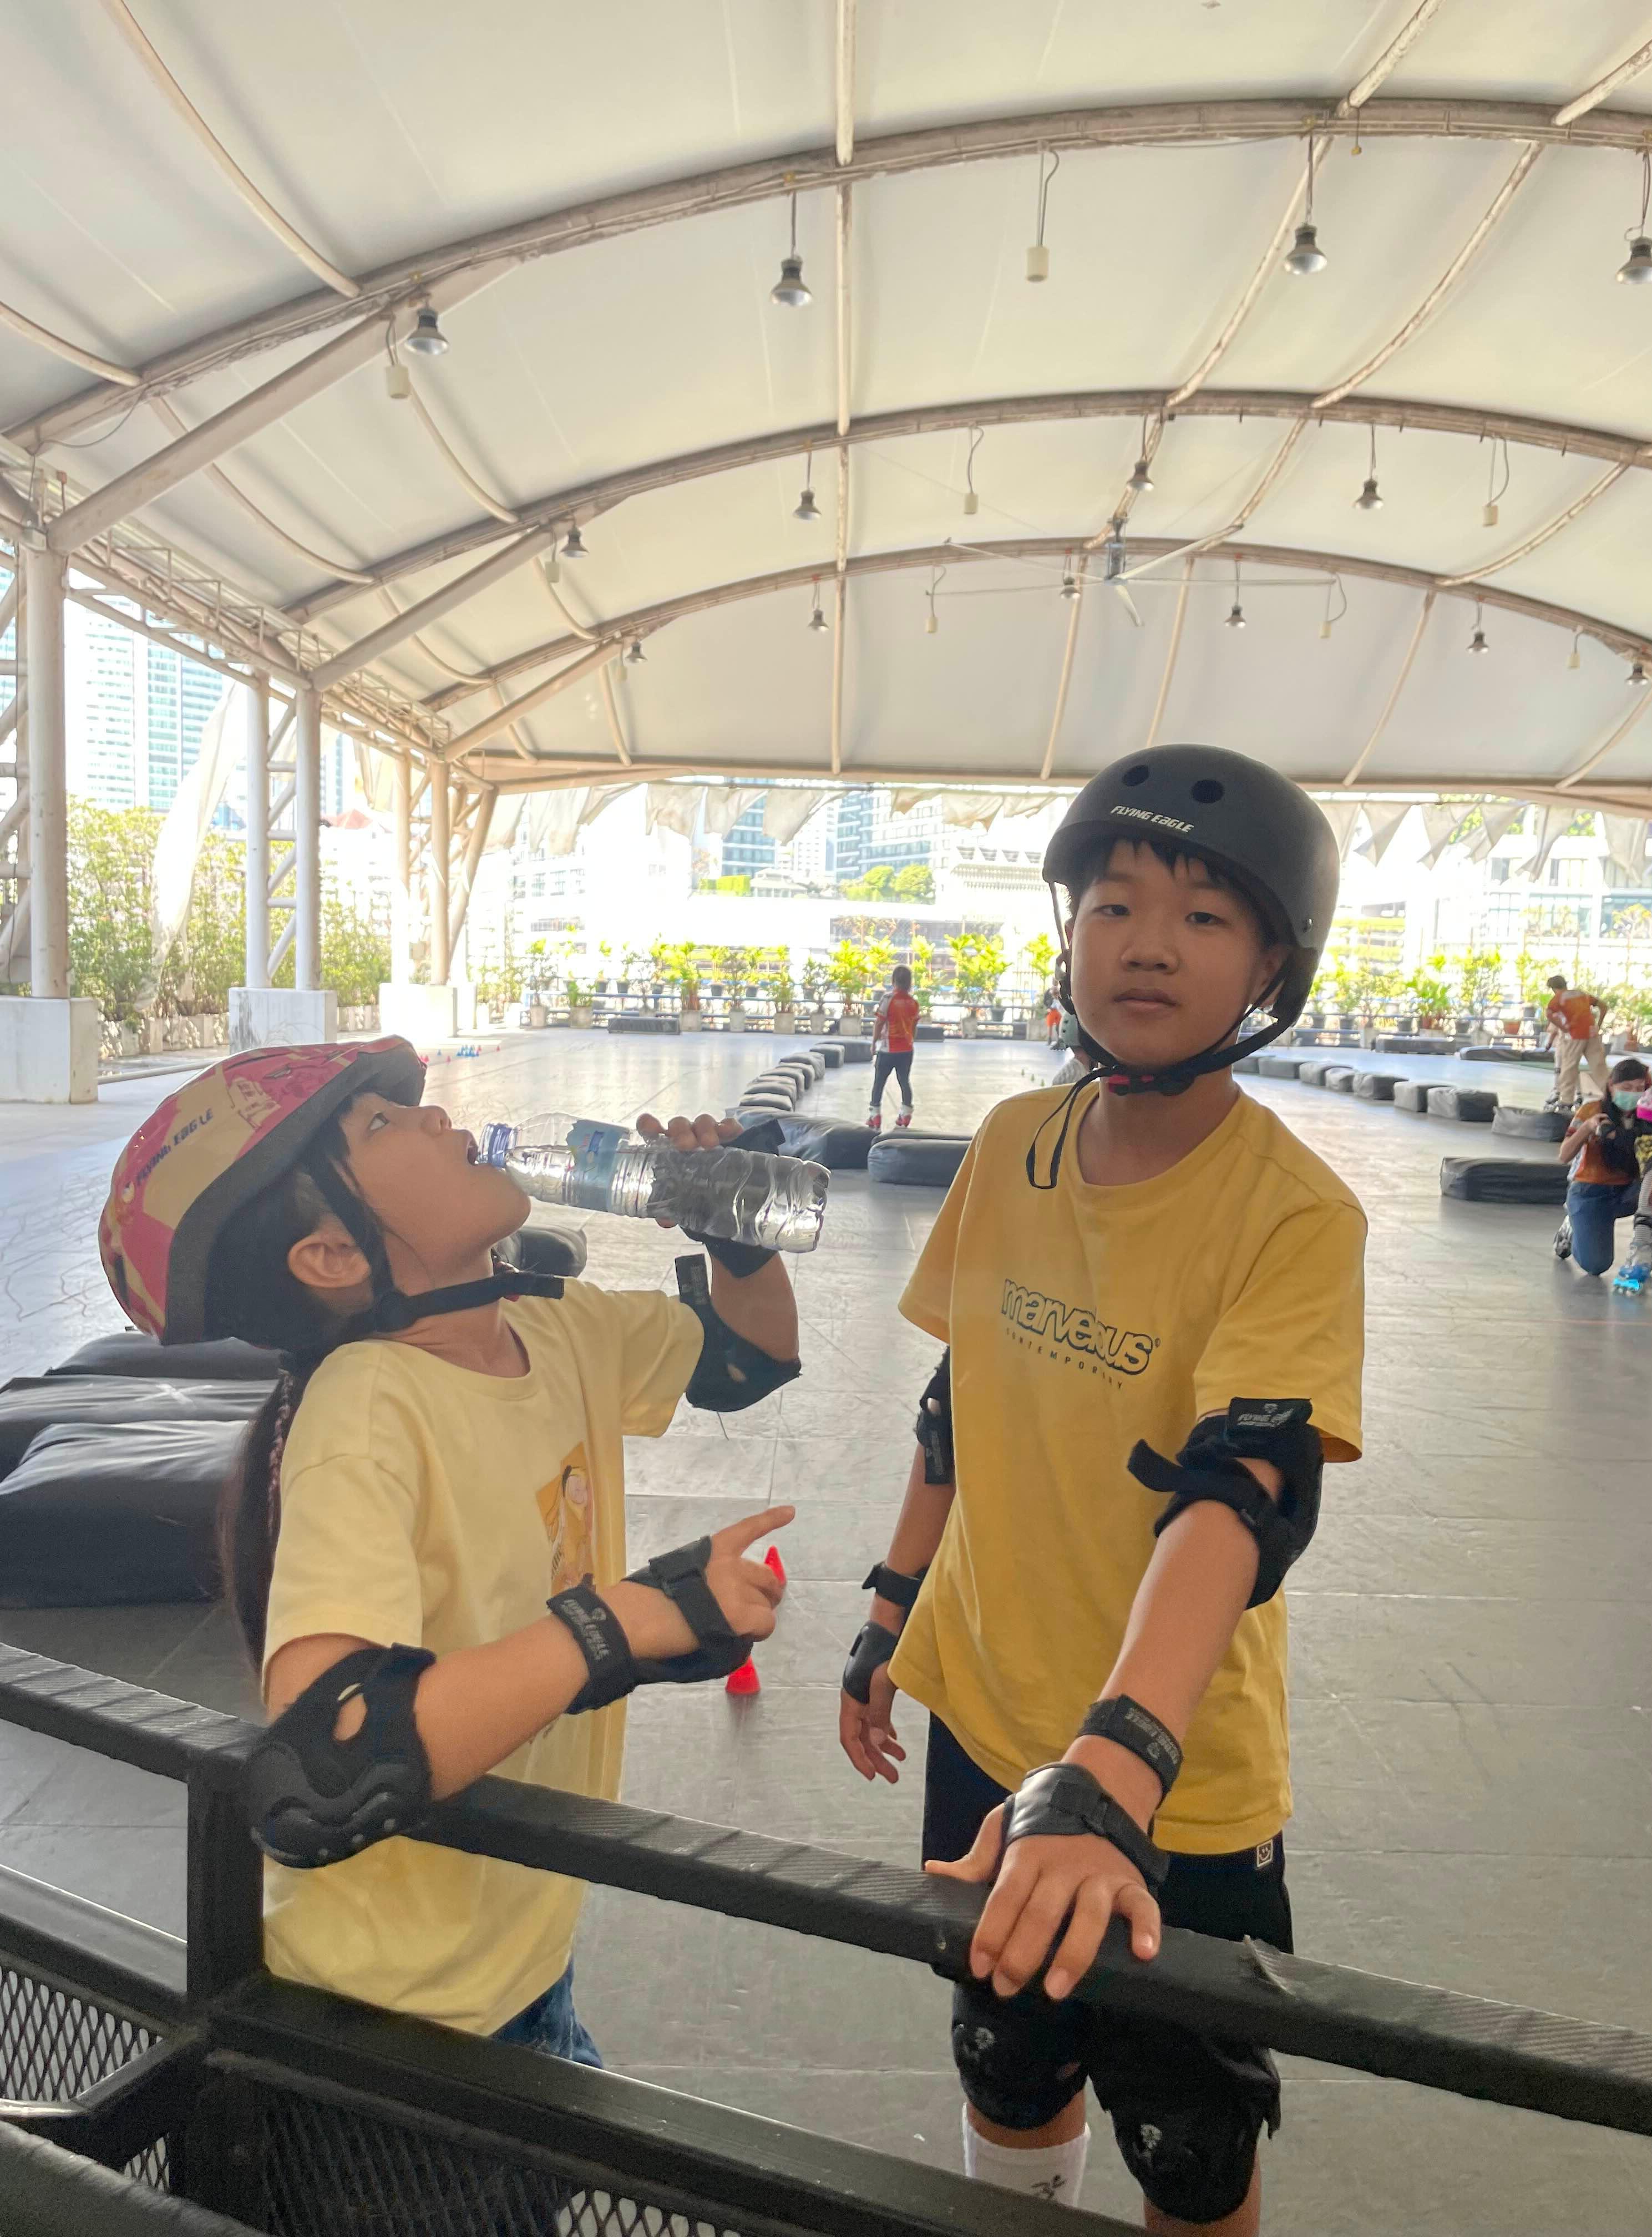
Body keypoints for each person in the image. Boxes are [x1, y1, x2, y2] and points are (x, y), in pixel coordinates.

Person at [838, 747, 1364, 2233]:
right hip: (982, 1709)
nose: (1147, 943)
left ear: (1271, 966)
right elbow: (960, 1406)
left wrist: (1112, 1767)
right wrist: (889, 1609)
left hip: (1170, 1778)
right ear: (1067, 935)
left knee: (1189, 2142)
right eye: (1114, 904)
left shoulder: (1295, 1213)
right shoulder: (1015, 1142)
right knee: (1006, 2063)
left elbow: (1241, 1493)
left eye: (1204, 918)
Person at [98, 1039, 796, 2059]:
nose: (433, 1115)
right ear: (332, 1257)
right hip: (391, 2015)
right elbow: (327, 1764)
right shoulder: (365, 1413)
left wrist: (735, 1240)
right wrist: (620, 1623)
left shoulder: (549, 1325)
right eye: (380, 1124)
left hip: (515, 1945)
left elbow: (746, 1358)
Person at [1556, 1055, 1652, 1279]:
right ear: (1611, 1086)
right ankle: (1573, 1225)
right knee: (1596, 1265)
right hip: (1591, 1191)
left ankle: (1649, 1237)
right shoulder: (1592, 1110)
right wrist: (1588, 1128)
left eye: (1640, 1088)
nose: (1634, 1094)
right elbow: (1564, 1155)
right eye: (1627, 1088)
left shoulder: (1649, 1115)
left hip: (1629, 1190)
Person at [1544, 975, 1609, 1112]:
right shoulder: (1582, 995)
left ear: (1553, 988)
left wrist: (1563, 1028)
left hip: (1575, 1036)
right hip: (1592, 1034)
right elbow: (1604, 1006)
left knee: (1569, 1067)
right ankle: (1610, 1096)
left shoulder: (1559, 998)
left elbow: (1549, 1014)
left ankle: (1566, 1101)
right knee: (1600, 1067)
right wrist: (1598, 1025)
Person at [869, 964, 920, 1131]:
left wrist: (874, 1042)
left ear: (894, 980)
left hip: (888, 1050)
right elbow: (913, 1027)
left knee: (879, 1082)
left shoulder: (887, 999)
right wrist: (910, 1042)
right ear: (909, 982)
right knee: (904, 1081)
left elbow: (879, 1023)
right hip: (907, 1050)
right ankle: (906, 1113)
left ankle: (875, 1115)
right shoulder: (913, 1003)